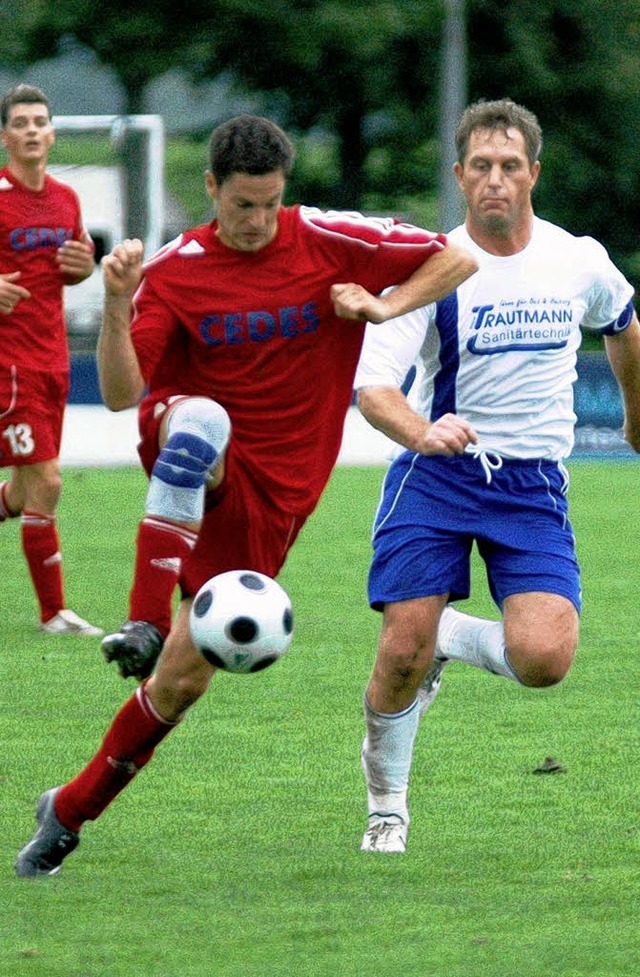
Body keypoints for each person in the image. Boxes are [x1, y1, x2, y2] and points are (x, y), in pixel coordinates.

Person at [14, 113, 477, 876]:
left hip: (280, 495)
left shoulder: (328, 236)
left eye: (269, 204)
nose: (258, 222)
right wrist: (122, 304)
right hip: (197, 455)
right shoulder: (176, 269)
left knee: (181, 682)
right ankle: (138, 615)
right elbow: (127, 394)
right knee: (198, 421)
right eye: (241, 207)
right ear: (211, 190)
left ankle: (68, 810)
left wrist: (383, 306)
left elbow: (452, 257)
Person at [354, 97, 640, 854]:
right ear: (459, 176)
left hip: (532, 485)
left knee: (545, 659)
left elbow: (623, 320)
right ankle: (387, 806)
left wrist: (637, 416)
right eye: (480, 166)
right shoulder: (433, 268)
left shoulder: (576, 258)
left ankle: (451, 634)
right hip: (437, 474)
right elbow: (374, 387)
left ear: (533, 173)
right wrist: (425, 430)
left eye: (510, 165)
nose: (495, 180)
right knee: (399, 652)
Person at [0, 84, 103, 637]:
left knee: (20, 493)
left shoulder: (65, 198)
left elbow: (76, 263)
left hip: (52, 361)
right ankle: (54, 613)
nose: (33, 129)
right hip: (6, 363)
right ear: (5, 137)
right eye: (21, 122)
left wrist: (83, 265)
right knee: (48, 481)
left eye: (40, 121)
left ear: (53, 133)